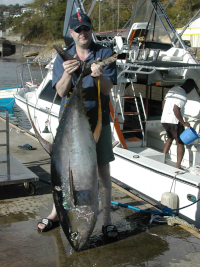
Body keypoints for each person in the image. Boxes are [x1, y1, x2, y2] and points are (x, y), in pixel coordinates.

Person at [38, 12, 118, 240]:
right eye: (78, 30)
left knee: (102, 170)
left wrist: (97, 76)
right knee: (62, 171)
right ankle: (56, 213)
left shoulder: (104, 53)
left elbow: (106, 89)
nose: (83, 33)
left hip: (97, 121)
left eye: (86, 28)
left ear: (91, 29)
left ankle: (107, 220)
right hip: (69, 121)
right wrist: (67, 72)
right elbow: (62, 91)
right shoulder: (62, 59)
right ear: (71, 33)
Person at [161, 79, 196, 169]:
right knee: (180, 142)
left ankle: (162, 159)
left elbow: (164, 102)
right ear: (190, 87)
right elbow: (176, 109)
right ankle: (178, 166)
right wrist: (183, 123)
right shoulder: (183, 94)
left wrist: (165, 113)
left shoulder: (173, 89)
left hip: (165, 119)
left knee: (169, 138)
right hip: (174, 121)